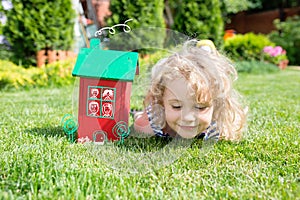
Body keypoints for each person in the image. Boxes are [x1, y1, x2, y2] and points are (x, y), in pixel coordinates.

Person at [133, 39, 247, 141]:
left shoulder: (219, 127)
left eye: (200, 107)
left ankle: (208, 53)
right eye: (177, 106)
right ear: (162, 102)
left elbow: (233, 124)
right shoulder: (150, 125)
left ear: (216, 105)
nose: (188, 117)